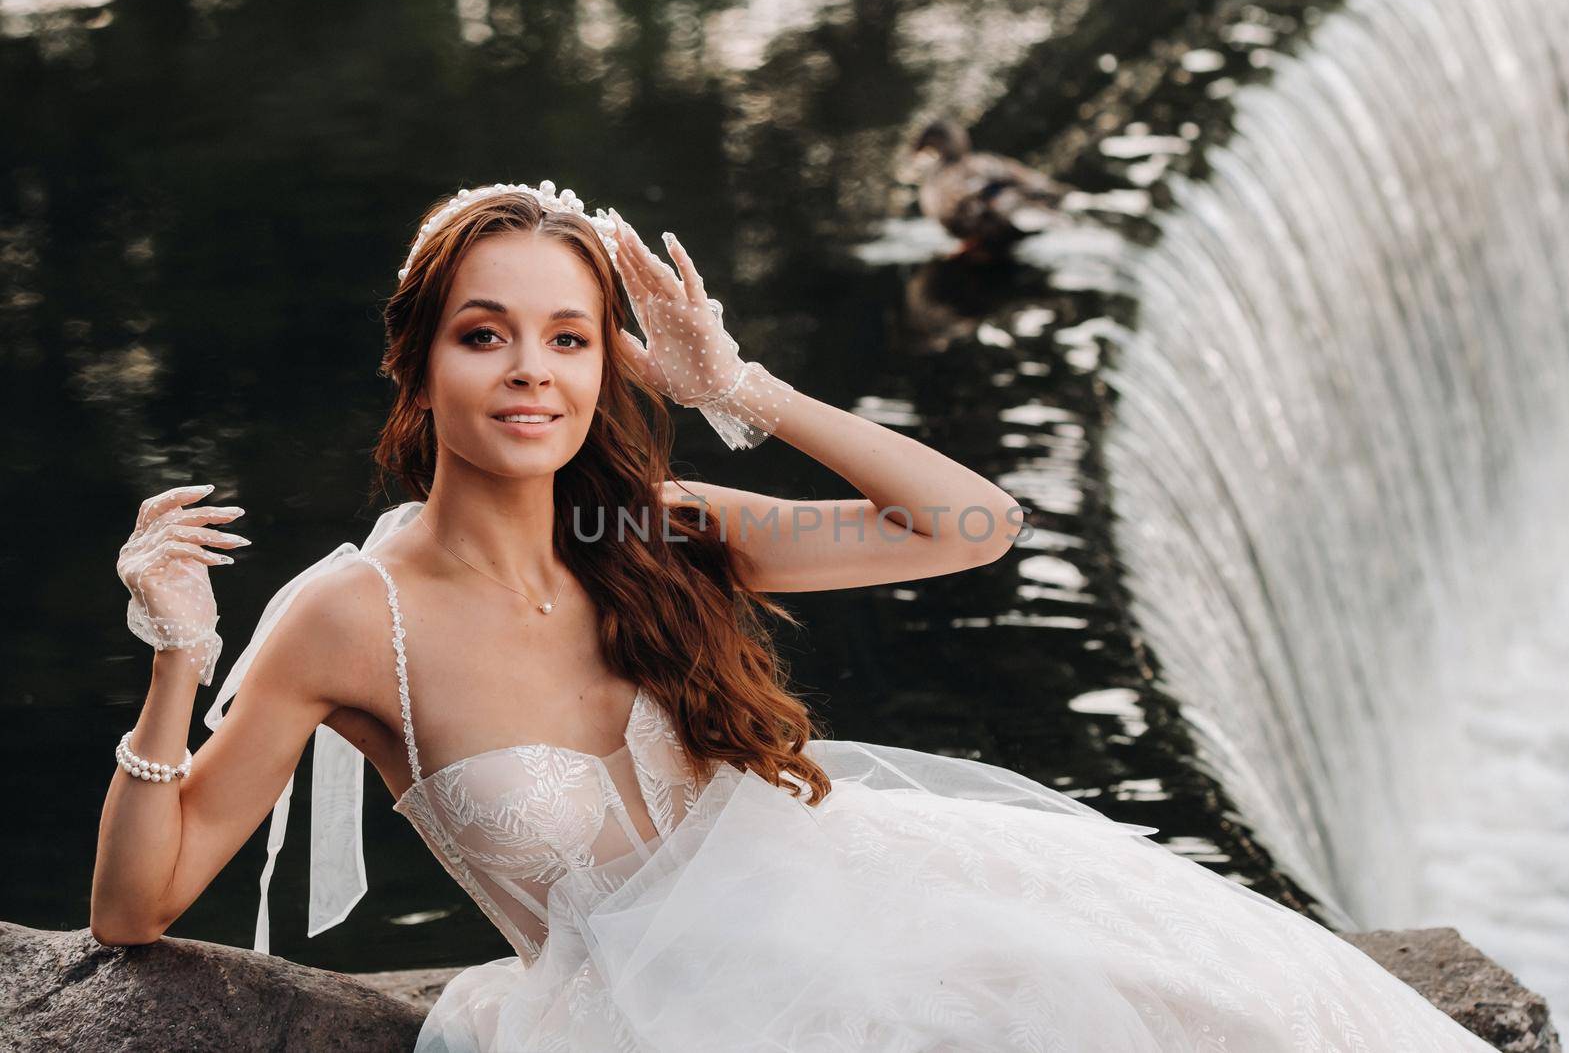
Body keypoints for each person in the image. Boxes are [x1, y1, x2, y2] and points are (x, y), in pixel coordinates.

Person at [92, 181, 1498, 1052]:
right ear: (420, 364)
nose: (533, 373)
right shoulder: (350, 615)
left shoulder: (658, 529)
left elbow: (968, 526)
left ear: (605, 368)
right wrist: (179, 661)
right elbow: (135, 909)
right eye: (486, 334)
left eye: (569, 340)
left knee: (1217, 1014)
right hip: (654, 1019)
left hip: (866, 901)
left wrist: (743, 390)